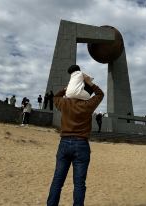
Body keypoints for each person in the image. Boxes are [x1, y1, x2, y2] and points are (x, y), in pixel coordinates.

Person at [47, 75, 104, 205]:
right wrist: (90, 83)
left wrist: (66, 88)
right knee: (79, 184)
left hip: (64, 143)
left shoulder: (65, 103)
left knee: (57, 181)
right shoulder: (88, 105)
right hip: (82, 144)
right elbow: (100, 94)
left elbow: (55, 97)